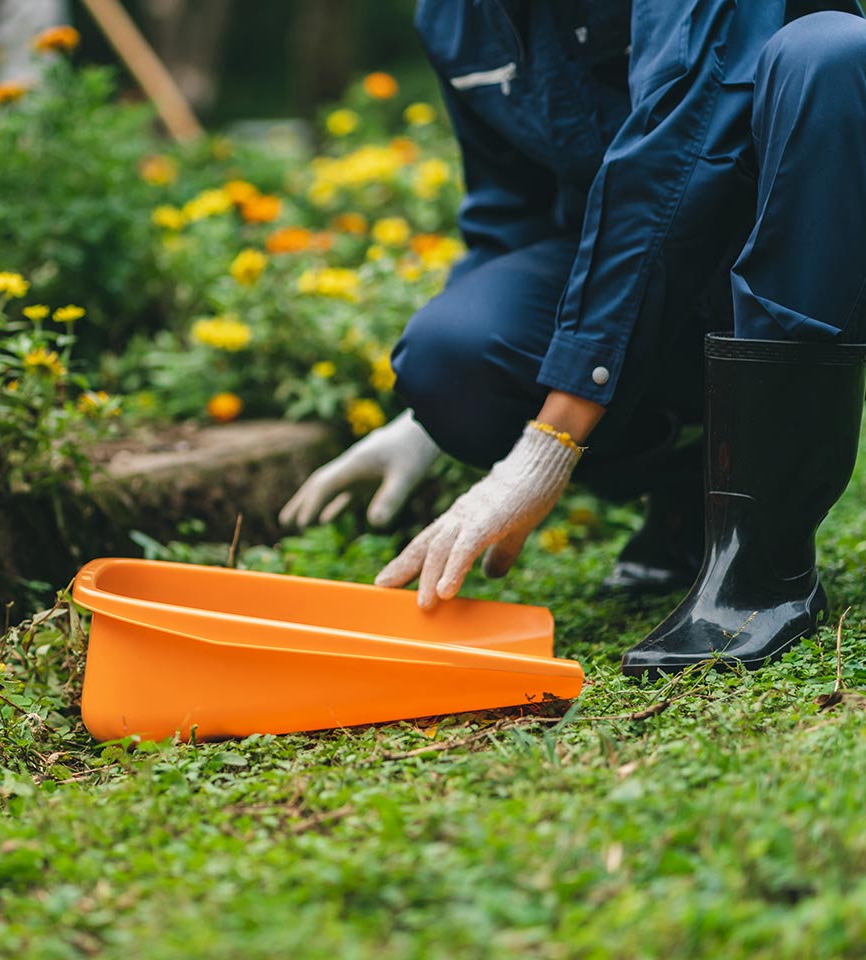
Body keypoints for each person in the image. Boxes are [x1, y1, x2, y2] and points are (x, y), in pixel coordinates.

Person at [281, 0, 866, 677]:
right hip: (650, 289)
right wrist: (429, 418)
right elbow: (511, 218)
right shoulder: (454, 18)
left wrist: (548, 444)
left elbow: (674, 154)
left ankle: (762, 572)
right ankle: (691, 498)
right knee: (453, 358)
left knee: (829, 54)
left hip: (811, 251)